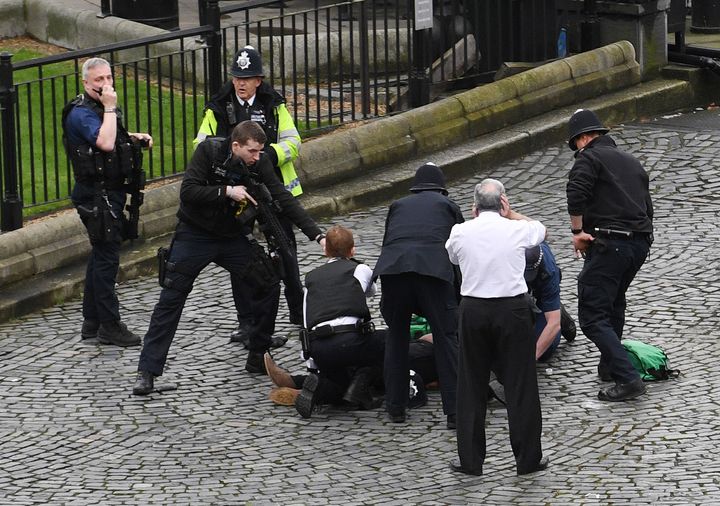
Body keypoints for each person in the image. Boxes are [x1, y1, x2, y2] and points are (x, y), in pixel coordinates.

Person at [132, 121, 324, 395]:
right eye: (253, 151)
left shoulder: (260, 162)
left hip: (232, 236)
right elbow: (188, 191)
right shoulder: (209, 152)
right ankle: (147, 372)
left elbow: (284, 198)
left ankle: (258, 354)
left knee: (268, 281)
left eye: (260, 151)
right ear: (236, 146)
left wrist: (317, 235)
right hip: (194, 234)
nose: (258, 157)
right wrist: (226, 191)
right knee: (171, 297)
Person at [195, 45, 305, 345]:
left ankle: (298, 312)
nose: (240, 83)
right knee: (240, 258)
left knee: (286, 252)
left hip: (272, 189)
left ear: (259, 80)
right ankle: (246, 322)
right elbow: (201, 145)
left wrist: (267, 155)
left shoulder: (273, 103)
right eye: (236, 77)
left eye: (247, 78)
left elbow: (293, 141)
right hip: (236, 193)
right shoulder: (218, 105)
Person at [445, 178, 548, 477]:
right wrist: (512, 214)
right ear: (503, 202)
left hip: (474, 309)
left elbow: (452, 256)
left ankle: (471, 461)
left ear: (474, 207)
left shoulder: (460, 231)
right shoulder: (517, 228)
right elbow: (542, 230)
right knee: (521, 384)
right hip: (512, 310)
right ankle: (527, 459)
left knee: (470, 385)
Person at [62, 57, 153, 347]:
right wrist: (111, 107)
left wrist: (135, 137)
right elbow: (104, 143)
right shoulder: (82, 113)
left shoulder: (101, 108)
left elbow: (113, 136)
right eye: (98, 80)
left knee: (101, 255)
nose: (105, 84)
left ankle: (92, 322)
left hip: (107, 193)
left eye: (108, 78)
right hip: (96, 196)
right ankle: (110, 326)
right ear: (86, 83)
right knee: (106, 260)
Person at [566, 108, 653, 402]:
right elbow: (648, 208)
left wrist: (578, 232)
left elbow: (576, 193)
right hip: (639, 244)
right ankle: (610, 366)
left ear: (583, 138)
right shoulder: (632, 162)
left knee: (592, 315)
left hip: (609, 242)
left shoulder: (588, 158)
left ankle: (628, 378)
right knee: (613, 302)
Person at [373, 162, 463, 427]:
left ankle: (396, 406)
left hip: (395, 271)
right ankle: (455, 412)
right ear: (441, 189)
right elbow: (459, 253)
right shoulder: (448, 206)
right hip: (433, 273)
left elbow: (389, 241)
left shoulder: (398, 206)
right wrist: (457, 297)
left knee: (396, 338)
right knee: (447, 339)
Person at [291, 225, 386, 418]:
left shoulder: (311, 278)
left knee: (339, 383)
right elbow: (371, 292)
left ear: (325, 251)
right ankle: (361, 384)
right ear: (352, 250)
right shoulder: (360, 269)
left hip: (320, 348)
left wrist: (312, 365)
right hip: (352, 340)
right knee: (390, 340)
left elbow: (307, 320)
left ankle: (320, 388)